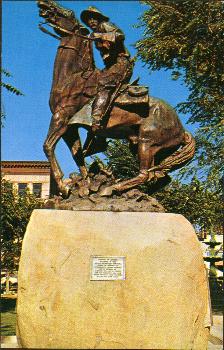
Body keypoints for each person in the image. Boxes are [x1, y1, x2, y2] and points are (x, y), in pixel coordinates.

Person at [81, 6, 134, 132]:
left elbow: (120, 35)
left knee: (104, 83)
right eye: (89, 20)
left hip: (121, 64)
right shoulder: (95, 34)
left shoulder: (105, 25)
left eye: (94, 19)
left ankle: (97, 120)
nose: (91, 22)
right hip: (110, 66)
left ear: (99, 19)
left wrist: (101, 35)